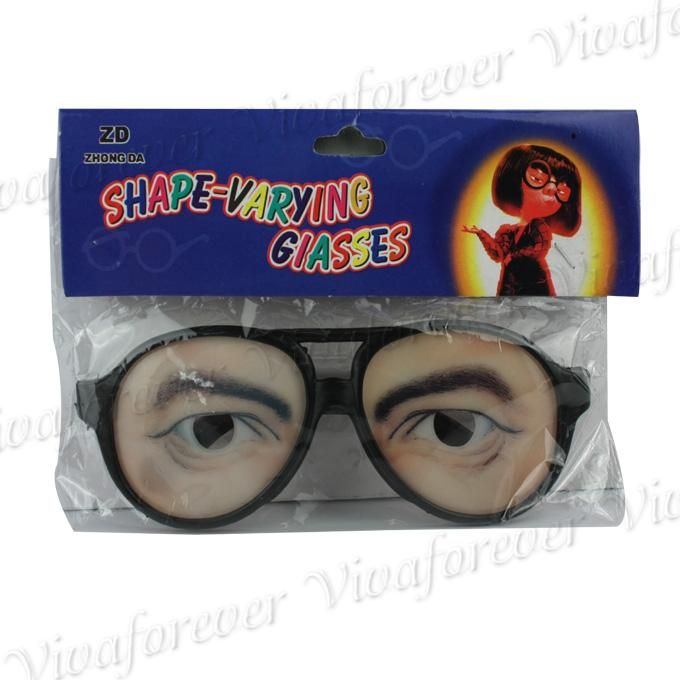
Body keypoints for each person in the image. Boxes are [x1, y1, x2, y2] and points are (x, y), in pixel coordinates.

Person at [463, 144, 582, 295]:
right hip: (509, 283)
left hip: (534, 285)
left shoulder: (539, 228)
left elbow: (537, 250)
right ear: (517, 181)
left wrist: (511, 257)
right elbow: (498, 254)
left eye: (561, 190)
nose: (552, 189)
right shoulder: (508, 231)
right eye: (537, 179)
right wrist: (481, 234)